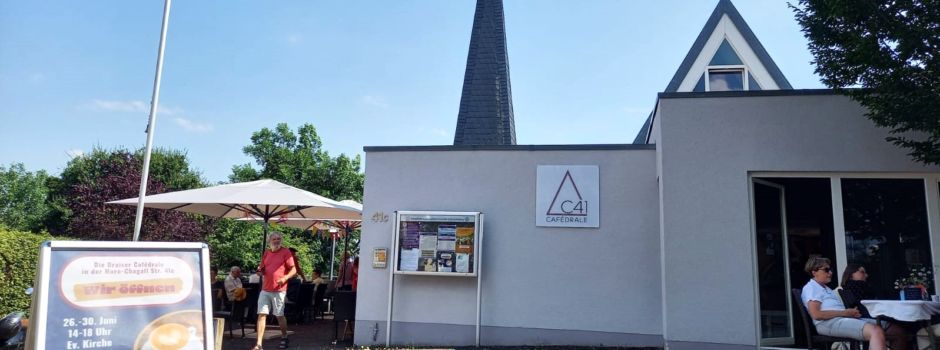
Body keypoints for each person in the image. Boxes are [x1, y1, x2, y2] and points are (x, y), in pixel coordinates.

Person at [800, 256, 907, 350]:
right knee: (875, 331)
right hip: (828, 324)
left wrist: (850, 313)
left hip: (842, 319)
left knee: (896, 331)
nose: (830, 272)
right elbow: (816, 315)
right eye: (826, 270)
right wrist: (845, 313)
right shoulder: (811, 287)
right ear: (814, 272)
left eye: (830, 269)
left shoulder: (826, 288)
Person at [252, 232, 296, 350]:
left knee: (279, 315)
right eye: (274, 239)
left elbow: (294, 270)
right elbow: (261, 269)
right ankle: (259, 344)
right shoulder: (266, 253)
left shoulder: (286, 252)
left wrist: (285, 278)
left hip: (279, 290)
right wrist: (259, 272)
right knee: (261, 314)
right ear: (269, 241)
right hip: (265, 289)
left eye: (278, 239)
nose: (276, 241)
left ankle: (284, 336)